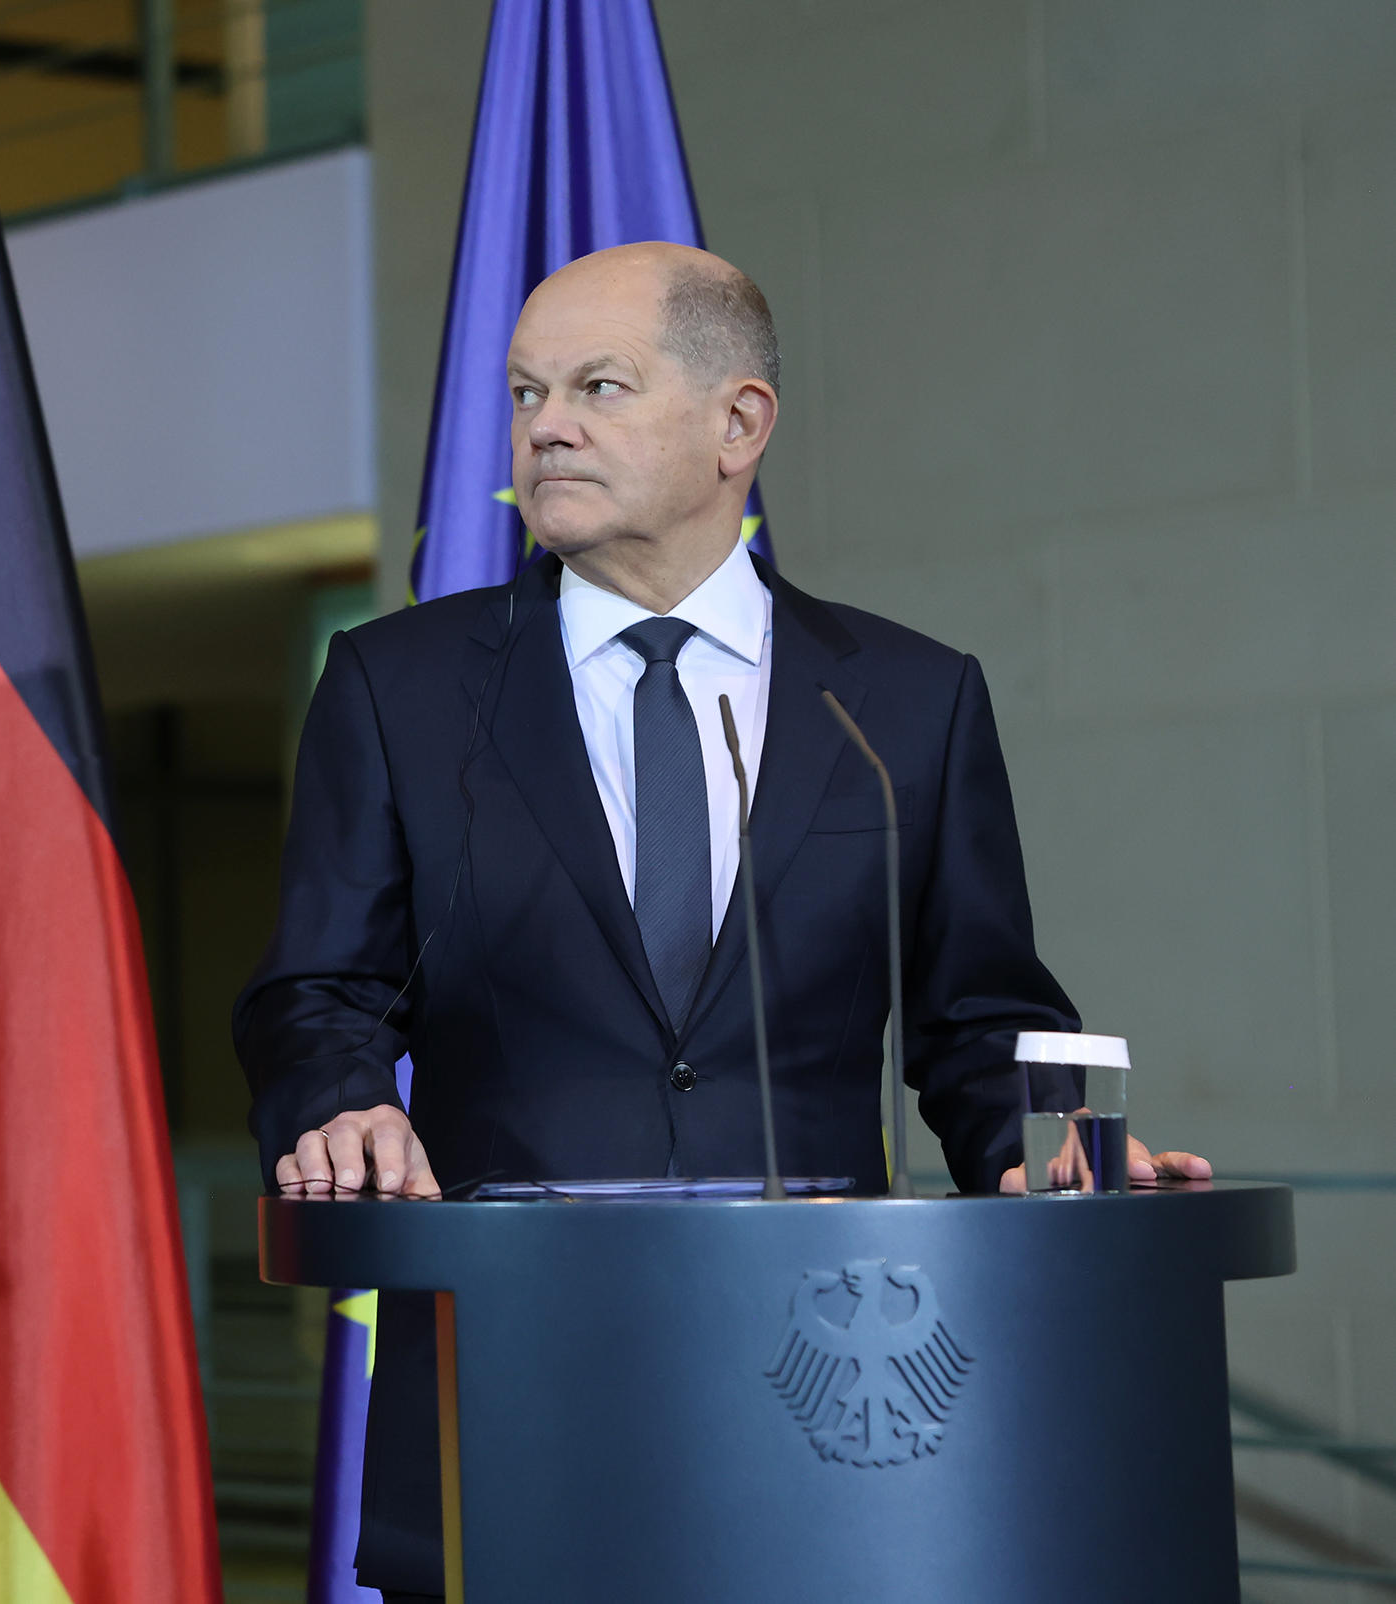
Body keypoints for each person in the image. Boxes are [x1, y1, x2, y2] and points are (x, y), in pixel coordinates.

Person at [233, 241, 1208, 1601]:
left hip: (828, 1414)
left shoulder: (903, 706)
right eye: (522, 393)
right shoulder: (398, 687)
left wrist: (1041, 1157)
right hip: (509, 1413)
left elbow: (978, 1012)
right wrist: (338, 1102)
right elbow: (313, 990)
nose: (542, 425)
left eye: (595, 385)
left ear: (736, 423)